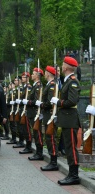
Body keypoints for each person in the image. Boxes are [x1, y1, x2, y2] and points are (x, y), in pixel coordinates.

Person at [51, 56, 81, 185]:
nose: (61, 66)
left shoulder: (73, 82)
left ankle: (74, 175)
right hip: (66, 119)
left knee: (71, 148)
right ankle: (71, 173)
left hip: (70, 119)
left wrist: (58, 102)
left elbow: (72, 101)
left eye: (63, 64)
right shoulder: (68, 81)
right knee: (69, 147)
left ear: (67, 67)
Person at [38, 66, 59, 171]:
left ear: (48, 73)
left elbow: (50, 102)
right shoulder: (49, 85)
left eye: (46, 72)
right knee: (49, 139)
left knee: (51, 139)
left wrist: (41, 105)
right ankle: (52, 160)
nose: (45, 74)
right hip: (46, 115)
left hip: (50, 116)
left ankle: (54, 162)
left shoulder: (52, 85)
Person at [23, 68, 44, 160]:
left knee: (37, 133)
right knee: (35, 133)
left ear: (37, 76)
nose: (31, 75)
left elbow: (36, 100)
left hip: (35, 112)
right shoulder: (35, 86)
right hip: (32, 113)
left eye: (33, 73)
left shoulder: (38, 86)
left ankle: (39, 153)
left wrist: (27, 102)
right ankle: (38, 152)